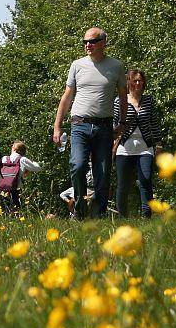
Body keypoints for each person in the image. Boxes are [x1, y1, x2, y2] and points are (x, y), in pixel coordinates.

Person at [52, 27, 127, 219]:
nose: (87, 45)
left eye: (92, 41)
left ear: (103, 43)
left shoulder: (116, 66)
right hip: (79, 125)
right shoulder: (77, 65)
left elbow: (123, 96)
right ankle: (79, 207)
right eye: (85, 42)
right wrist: (57, 127)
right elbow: (67, 97)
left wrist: (122, 122)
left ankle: (99, 214)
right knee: (78, 165)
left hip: (104, 126)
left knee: (103, 173)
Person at [113, 68, 164, 218]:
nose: (137, 83)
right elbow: (114, 124)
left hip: (145, 147)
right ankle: (122, 217)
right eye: (134, 80)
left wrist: (159, 145)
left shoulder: (149, 100)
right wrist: (112, 145)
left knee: (146, 180)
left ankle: (146, 216)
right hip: (124, 148)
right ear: (128, 82)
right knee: (123, 184)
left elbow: (154, 123)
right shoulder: (119, 100)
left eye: (140, 80)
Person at [0, 140, 41, 212]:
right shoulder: (22, 160)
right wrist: (32, 162)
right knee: (16, 210)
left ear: (14, 149)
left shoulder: (4, 158)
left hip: (3, 189)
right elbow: (38, 168)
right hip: (16, 189)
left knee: (5, 210)